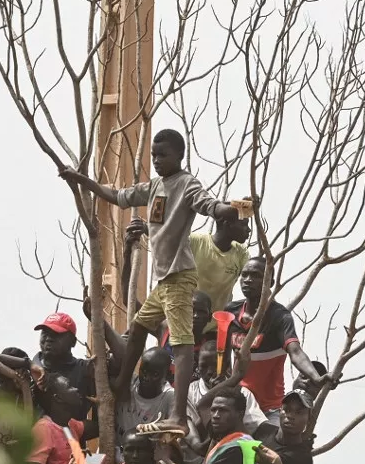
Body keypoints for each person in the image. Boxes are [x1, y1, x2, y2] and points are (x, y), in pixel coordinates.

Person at [60, 128, 244, 432]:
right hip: (163, 282)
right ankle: (119, 388)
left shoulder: (186, 184)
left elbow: (208, 204)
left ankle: (178, 416)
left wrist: (229, 209)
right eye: (154, 155)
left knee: (182, 346)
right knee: (139, 329)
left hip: (179, 278)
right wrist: (81, 180)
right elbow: (118, 196)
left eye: (163, 155)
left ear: (179, 156)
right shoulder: (156, 184)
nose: (157, 160)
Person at [224, 257, 335, 425]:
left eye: (255, 275)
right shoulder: (231, 312)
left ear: (270, 282)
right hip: (238, 404)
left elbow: (295, 351)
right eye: (244, 275)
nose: (248, 280)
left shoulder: (279, 317)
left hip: (269, 409)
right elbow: (221, 354)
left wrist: (316, 378)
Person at [184, 341, 271, 464]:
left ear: (225, 365)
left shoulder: (242, 393)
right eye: (203, 366)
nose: (209, 371)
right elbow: (192, 432)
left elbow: (256, 428)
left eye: (214, 365)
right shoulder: (188, 391)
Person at [31, 311, 95, 422]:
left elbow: (99, 423)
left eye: (56, 334)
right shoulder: (28, 369)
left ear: (73, 342)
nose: (48, 339)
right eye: (45, 333)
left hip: (68, 438)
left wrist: (76, 429)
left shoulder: (85, 370)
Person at [190, 217, 251, 331]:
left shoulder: (240, 252)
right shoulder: (196, 242)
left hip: (217, 329)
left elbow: (255, 279)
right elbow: (168, 237)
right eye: (243, 224)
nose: (248, 230)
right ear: (227, 224)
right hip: (187, 324)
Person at [117, 347, 176, 448]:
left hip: (145, 457)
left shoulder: (170, 396)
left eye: (155, 374)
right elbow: (120, 357)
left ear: (167, 376)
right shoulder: (129, 384)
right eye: (143, 371)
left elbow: (176, 425)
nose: (146, 377)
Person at [155, 289, 214, 387]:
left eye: (202, 312)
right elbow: (141, 315)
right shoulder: (166, 330)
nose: (195, 316)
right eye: (190, 310)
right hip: (160, 397)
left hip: (190, 401)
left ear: (209, 317)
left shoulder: (210, 348)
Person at [29, 372, 87, 464]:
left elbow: (101, 426)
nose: (76, 389)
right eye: (69, 386)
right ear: (58, 398)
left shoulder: (70, 424)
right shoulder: (43, 429)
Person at [203, 389, 266, 464]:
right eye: (213, 410)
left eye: (223, 410)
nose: (216, 415)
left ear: (240, 414)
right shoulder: (228, 441)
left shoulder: (236, 448)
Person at [255, 390, 314, 464]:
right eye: (287, 410)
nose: (290, 416)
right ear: (280, 411)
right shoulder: (264, 429)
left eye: (299, 412)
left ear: (309, 419)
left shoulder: (304, 459)